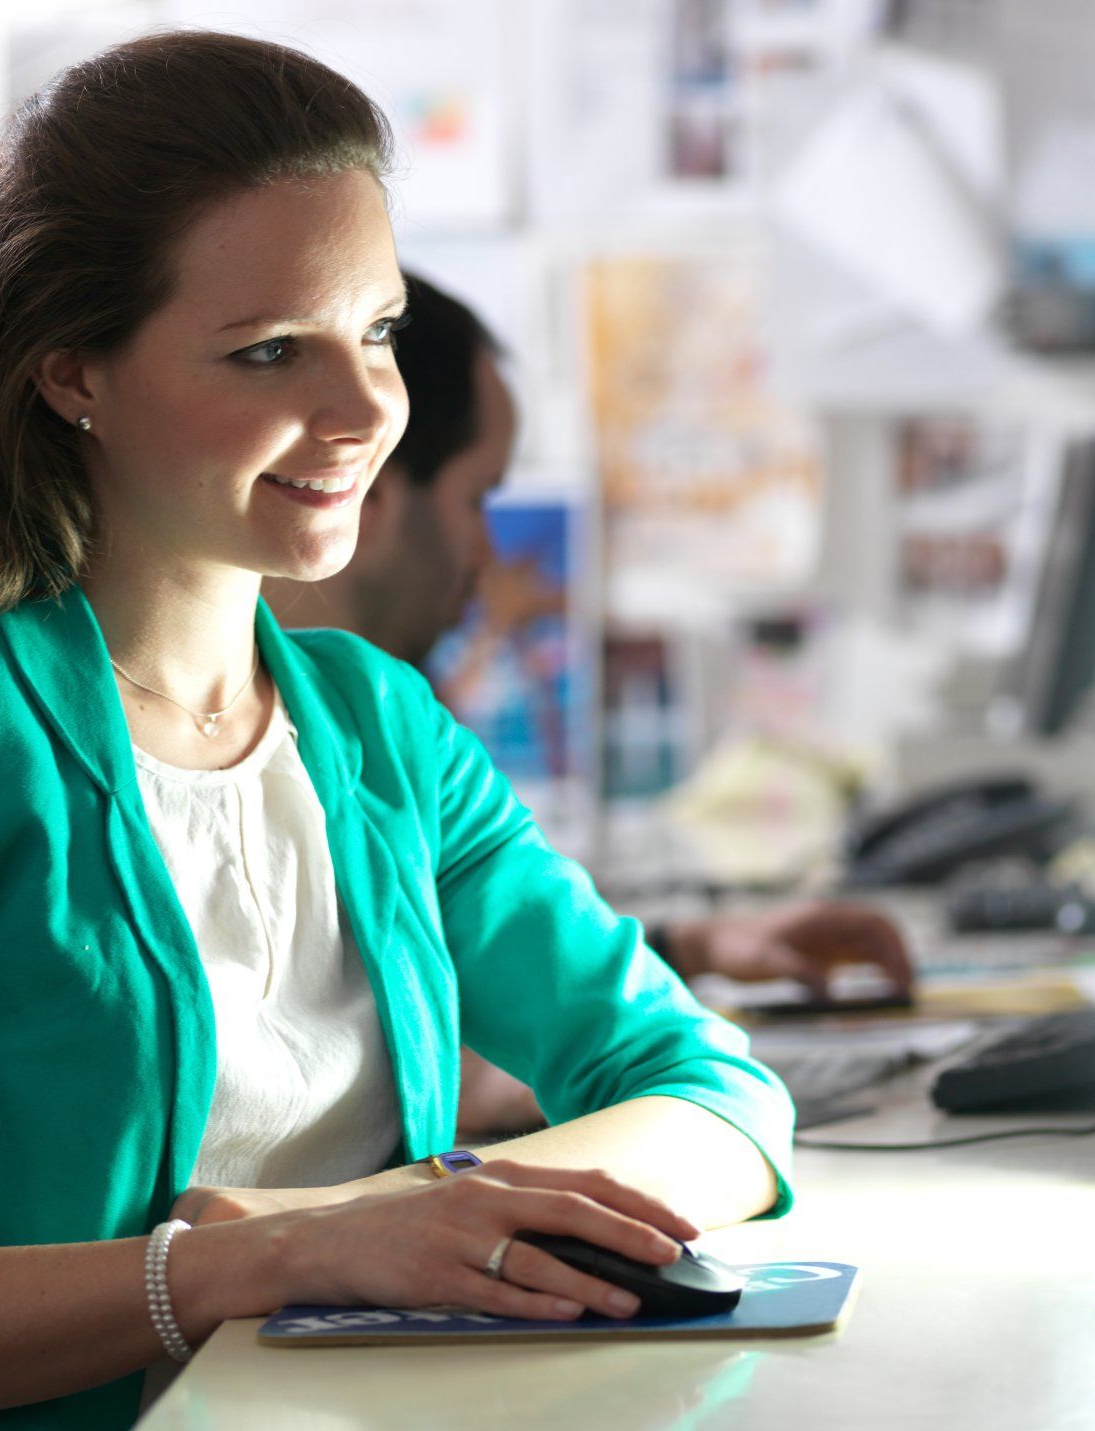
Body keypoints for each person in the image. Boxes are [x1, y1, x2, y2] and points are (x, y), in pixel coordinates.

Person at [0, 33, 792, 1429]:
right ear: (72, 376)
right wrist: (272, 1255)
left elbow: (717, 1090)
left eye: (380, 330)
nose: (363, 411)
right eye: (270, 349)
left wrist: (385, 1210)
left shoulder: (374, 722)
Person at [263, 272, 917, 1135]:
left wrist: (690, 954)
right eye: (477, 499)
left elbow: (491, 993)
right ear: (365, 486)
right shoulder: (212, 747)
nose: (492, 553)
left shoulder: (390, 730)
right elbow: (431, 1081)